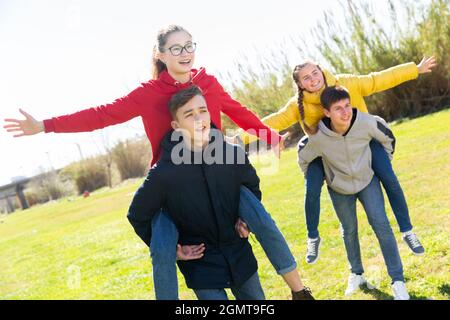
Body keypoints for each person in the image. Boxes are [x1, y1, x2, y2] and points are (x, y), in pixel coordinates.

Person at [3, 25, 305, 300]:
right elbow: (101, 115)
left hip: (218, 176)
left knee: (260, 216)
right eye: (175, 48)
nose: (184, 53)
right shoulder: (149, 94)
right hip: (173, 188)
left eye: (189, 45)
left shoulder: (207, 83)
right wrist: (44, 125)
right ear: (160, 54)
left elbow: (235, 109)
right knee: (162, 249)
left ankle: (300, 291)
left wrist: (269, 135)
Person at [238, 57, 436, 263]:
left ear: (321, 71)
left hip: (362, 143)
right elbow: (273, 121)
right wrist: (237, 138)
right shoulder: (298, 106)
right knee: (311, 188)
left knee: (389, 178)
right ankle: (313, 237)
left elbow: (377, 79)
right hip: (323, 151)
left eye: (315, 72)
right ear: (300, 84)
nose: (313, 79)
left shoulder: (346, 83)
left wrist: (415, 69)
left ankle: (407, 231)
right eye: (306, 78)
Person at [128, 85, 314, 300]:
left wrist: (243, 219)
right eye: (189, 115)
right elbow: (137, 215)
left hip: (239, 256)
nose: (199, 119)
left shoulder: (232, 153)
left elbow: (251, 188)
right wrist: (175, 250)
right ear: (176, 126)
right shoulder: (164, 172)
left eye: (203, 110)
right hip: (202, 267)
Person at [298, 86, 410, 300]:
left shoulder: (364, 124)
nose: (345, 112)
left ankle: (398, 281)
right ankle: (357, 274)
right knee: (349, 230)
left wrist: (382, 163)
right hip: (339, 188)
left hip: (368, 181)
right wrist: (325, 177)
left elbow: (388, 139)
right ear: (327, 112)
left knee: (382, 226)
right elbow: (304, 158)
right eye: (338, 108)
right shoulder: (319, 137)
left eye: (347, 106)